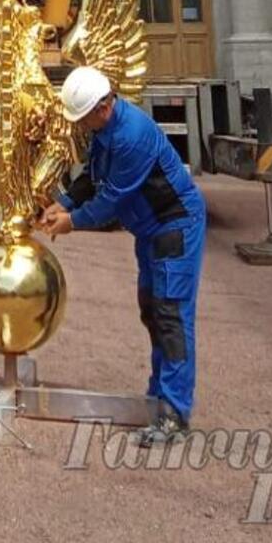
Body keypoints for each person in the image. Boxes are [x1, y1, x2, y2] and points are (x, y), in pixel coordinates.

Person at [38, 67, 206, 443]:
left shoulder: (132, 136)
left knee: (171, 314)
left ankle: (174, 414)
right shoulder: (103, 130)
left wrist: (71, 222)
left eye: (80, 117)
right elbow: (92, 177)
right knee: (152, 309)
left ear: (102, 108)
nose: (77, 125)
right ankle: (159, 398)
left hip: (174, 227)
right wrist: (60, 202)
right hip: (151, 231)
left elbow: (112, 199)